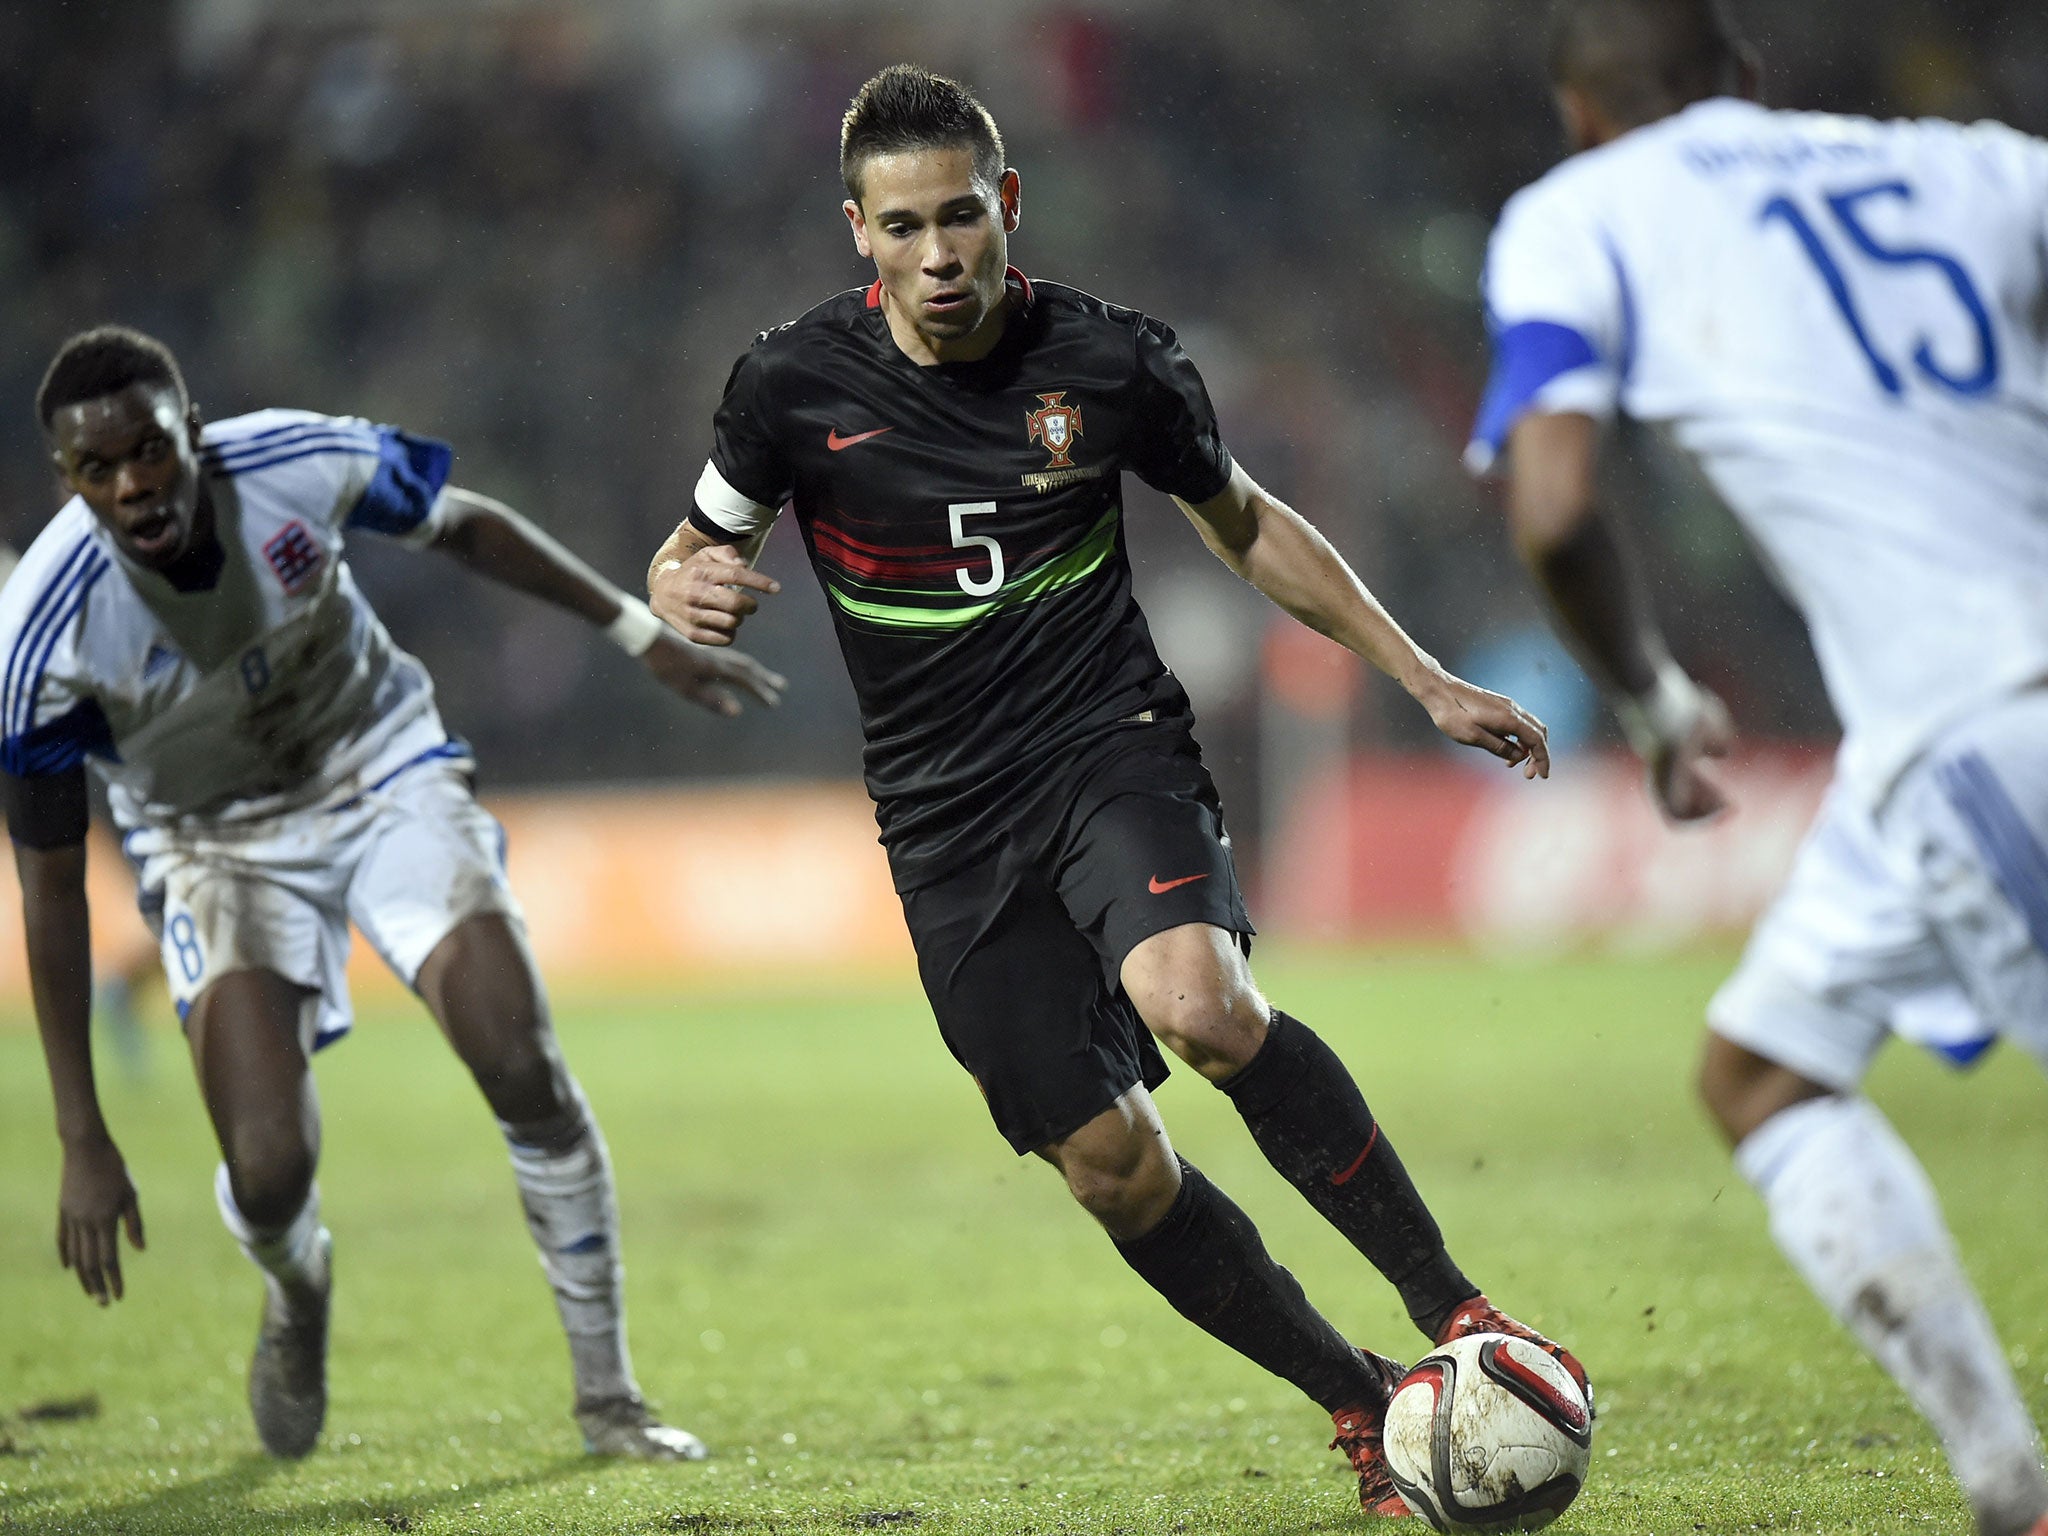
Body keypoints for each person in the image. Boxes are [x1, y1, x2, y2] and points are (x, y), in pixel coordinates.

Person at [645, 65, 1587, 1517]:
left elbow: (1250, 527)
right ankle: (1360, 1403)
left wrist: (1425, 677)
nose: (940, 254)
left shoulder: (1110, 363)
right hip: (945, 826)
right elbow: (686, 548)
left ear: (1007, 203)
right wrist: (681, 586)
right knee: (1110, 1168)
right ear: (860, 233)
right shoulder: (787, 387)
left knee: (1202, 1006)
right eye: (904, 227)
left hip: (1105, 746)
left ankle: (1459, 1310)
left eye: (962, 216)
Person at [7, 326, 784, 1463]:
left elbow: (461, 523)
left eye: (151, 451)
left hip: (378, 769)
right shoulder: (41, 634)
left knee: (519, 1060)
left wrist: (632, 630)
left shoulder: (289, 461)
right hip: (211, 844)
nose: (133, 483)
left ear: (193, 437)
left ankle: (608, 1396)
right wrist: (81, 1132)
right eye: (99, 468)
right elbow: (49, 882)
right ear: (67, 482)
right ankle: (297, 1285)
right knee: (268, 1171)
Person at [1474, 4, 2048, 1533]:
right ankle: (2008, 1487)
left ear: (1580, 116)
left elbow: (1551, 504)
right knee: (1762, 1070)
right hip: (1929, 744)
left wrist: (1655, 702)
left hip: (1989, 710)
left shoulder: (1575, 217)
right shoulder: (1974, 164)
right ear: (1744, 80)